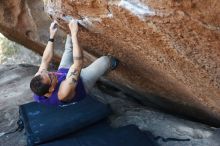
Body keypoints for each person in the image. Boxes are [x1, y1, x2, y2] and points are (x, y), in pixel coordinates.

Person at [30, 20, 119, 106]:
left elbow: (45, 60)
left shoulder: (39, 80)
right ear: (51, 89)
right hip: (82, 82)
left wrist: (51, 36)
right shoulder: (63, 93)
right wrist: (75, 35)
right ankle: (112, 64)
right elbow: (78, 63)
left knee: (69, 41)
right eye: (51, 76)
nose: (52, 73)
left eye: (47, 72)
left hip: (64, 70)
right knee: (105, 61)